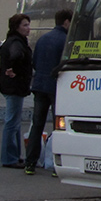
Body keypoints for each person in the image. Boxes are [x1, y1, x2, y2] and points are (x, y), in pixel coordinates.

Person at [25, 9, 71, 174]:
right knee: (58, 126)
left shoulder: (43, 39)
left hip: (39, 85)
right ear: (66, 22)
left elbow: (35, 62)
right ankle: (56, 164)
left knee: (37, 125)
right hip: (56, 87)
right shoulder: (66, 41)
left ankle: (30, 163)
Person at [0, 13, 32, 168]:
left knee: (14, 122)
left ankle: (14, 155)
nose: (28, 28)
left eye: (28, 24)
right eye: (25, 25)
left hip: (11, 85)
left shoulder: (12, 41)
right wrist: (15, 69)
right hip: (14, 86)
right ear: (17, 27)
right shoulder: (16, 42)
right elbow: (16, 55)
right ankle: (9, 157)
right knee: (12, 122)